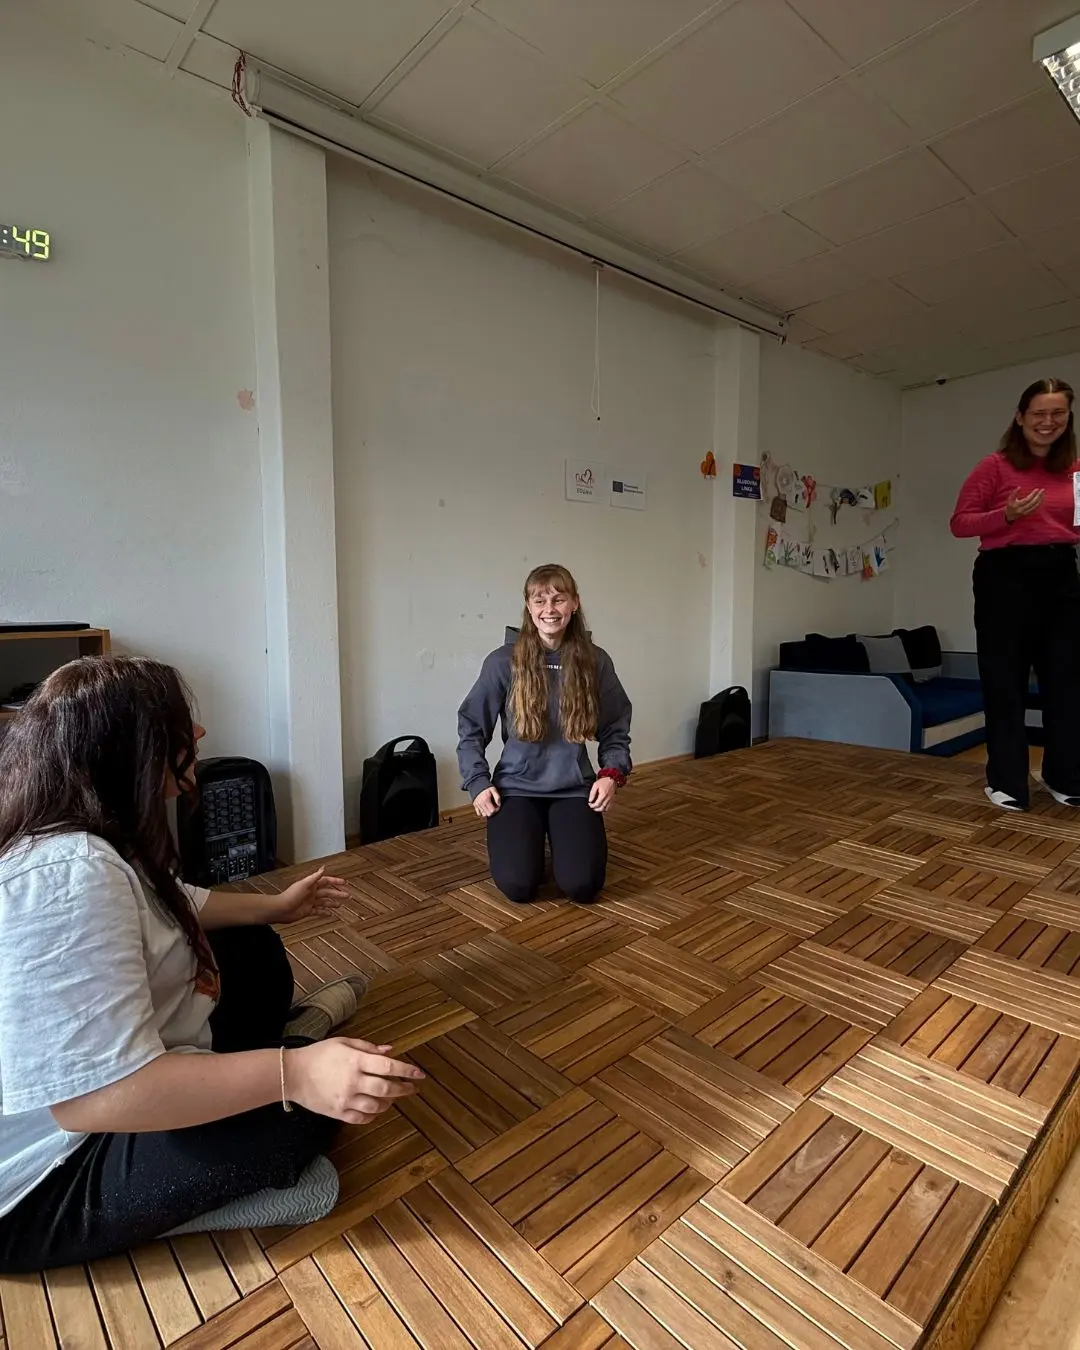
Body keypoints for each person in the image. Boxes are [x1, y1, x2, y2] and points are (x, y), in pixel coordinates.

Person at [0, 656, 424, 1273]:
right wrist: (294, 1073)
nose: (198, 734)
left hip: (123, 1075)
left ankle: (266, 1061)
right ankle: (268, 1104)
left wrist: (277, 906)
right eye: (180, 725)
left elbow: (175, 899)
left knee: (253, 947)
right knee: (299, 1117)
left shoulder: (97, 830)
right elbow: (90, 1101)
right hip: (49, 1179)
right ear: (131, 747)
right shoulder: (67, 876)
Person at [457, 564, 631, 904]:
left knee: (583, 885)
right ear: (528, 606)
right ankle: (529, 845)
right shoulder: (502, 662)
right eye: (540, 600)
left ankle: (561, 844)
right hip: (515, 788)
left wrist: (611, 773)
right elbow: (471, 727)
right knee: (518, 886)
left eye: (558, 599)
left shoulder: (595, 661)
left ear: (574, 603)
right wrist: (477, 782)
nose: (549, 609)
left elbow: (616, 725)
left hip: (573, 787)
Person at [950, 376, 1080, 812]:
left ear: (1068, 418)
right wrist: (1004, 515)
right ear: (1021, 417)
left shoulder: (1076, 470)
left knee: (1066, 681)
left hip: (1061, 573)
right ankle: (1006, 781)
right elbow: (960, 523)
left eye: (1058, 413)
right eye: (1039, 413)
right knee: (1005, 680)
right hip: (1004, 575)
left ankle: (1064, 776)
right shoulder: (995, 466)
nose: (1048, 421)